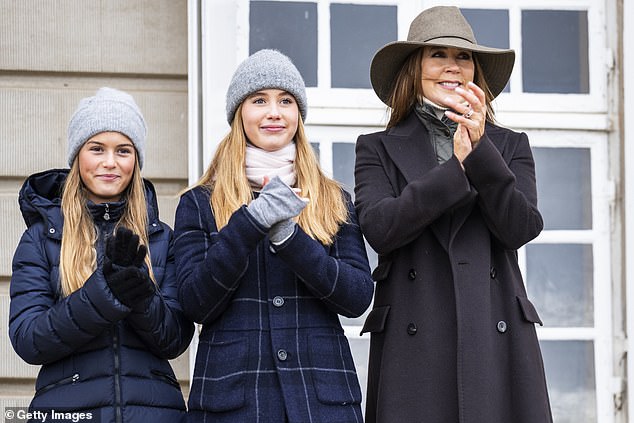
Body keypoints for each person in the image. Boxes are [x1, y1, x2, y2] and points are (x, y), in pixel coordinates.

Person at [354, 6, 553, 423]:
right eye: (437, 55)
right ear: (415, 68)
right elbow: (381, 228)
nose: (453, 67)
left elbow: (520, 226)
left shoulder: (510, 145)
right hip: (414, 345)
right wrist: (455, 171)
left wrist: (481, 154)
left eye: (463, 57)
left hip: (495, 339)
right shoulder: (376, 147)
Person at [174, 49, 374, 423]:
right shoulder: (200, 202)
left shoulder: (333, 198)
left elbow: (357, 296)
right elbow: (195, 302)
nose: (274, 112)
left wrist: (289, 236)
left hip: (321, 402)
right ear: (239, 114)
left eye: (286, 101)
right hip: (233, 402)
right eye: (259, 100)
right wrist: (251, 223)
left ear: (299, 115)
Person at [9, 87, 194, 422]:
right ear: (78, 156)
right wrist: (105, 291)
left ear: (136, 160)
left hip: (155, 414)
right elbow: (28, 339)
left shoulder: (162, 238)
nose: (110, 163)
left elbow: (175, 339)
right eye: (97, 149)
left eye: (123, 150)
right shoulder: (41, 238)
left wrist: (138, 293)